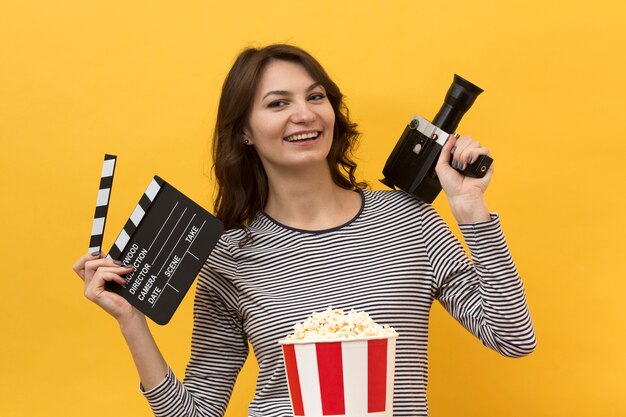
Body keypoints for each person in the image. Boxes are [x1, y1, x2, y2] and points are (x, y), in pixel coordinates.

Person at [73, 44, 536, 417]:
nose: (306, 114)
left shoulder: (407, 221)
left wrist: (470, 207)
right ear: (245, 133)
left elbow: (513, 337)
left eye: (316, 97)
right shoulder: (228, 256)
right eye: (278, 103)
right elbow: (195, 413)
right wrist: (130, 319)